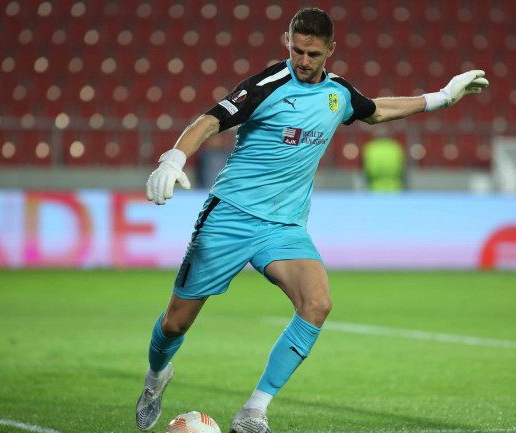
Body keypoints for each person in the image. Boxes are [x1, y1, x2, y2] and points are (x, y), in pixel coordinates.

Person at [137, 7, 489, 433]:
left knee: (317, 303)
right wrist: (174, 158)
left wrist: (442, 96)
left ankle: (253, 412)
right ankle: (156, 377)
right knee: (176, 321)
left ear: (331, 50)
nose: (303, 61)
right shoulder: (267, 85)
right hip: (230, 216)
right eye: (297, 50)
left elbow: (377, 110)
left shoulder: (338, 93)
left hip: (284, 227)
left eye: (313, 54)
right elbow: (210, 120)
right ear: (288, 42)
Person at [362, 127, 406, 191]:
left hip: (375, 188)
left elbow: (366, 170)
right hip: (394, 188)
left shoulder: (370, 148)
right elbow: (402, 169)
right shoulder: (396, 147)